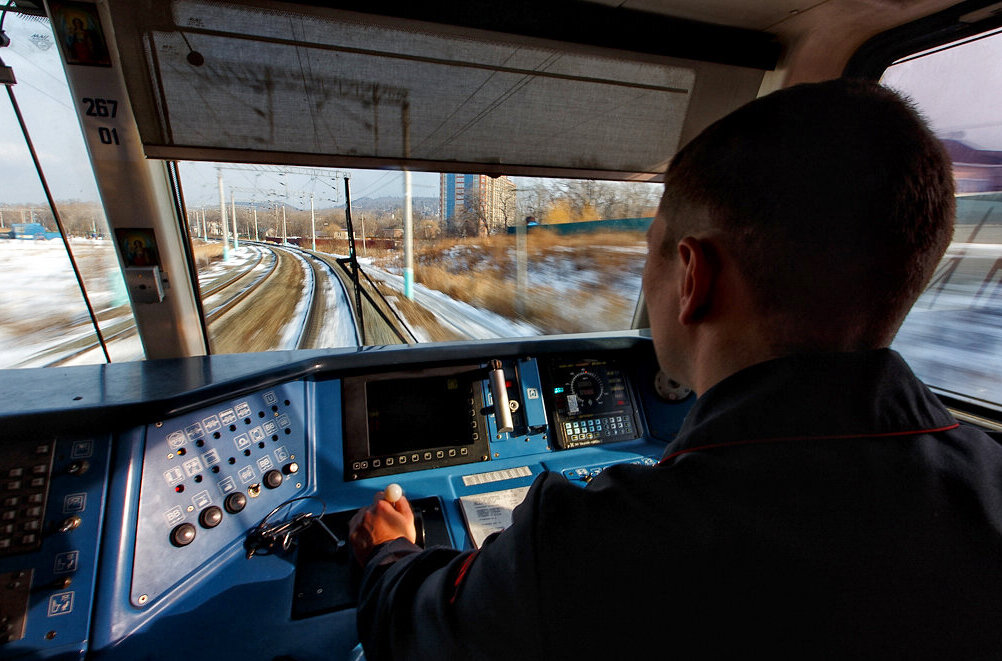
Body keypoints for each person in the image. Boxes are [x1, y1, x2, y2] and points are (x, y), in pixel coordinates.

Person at [348, 79, 1002, 659]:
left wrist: (388, 552)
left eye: (652, 257)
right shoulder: (989, 484)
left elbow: (417, 627)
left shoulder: (591, 553)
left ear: (693, 276)